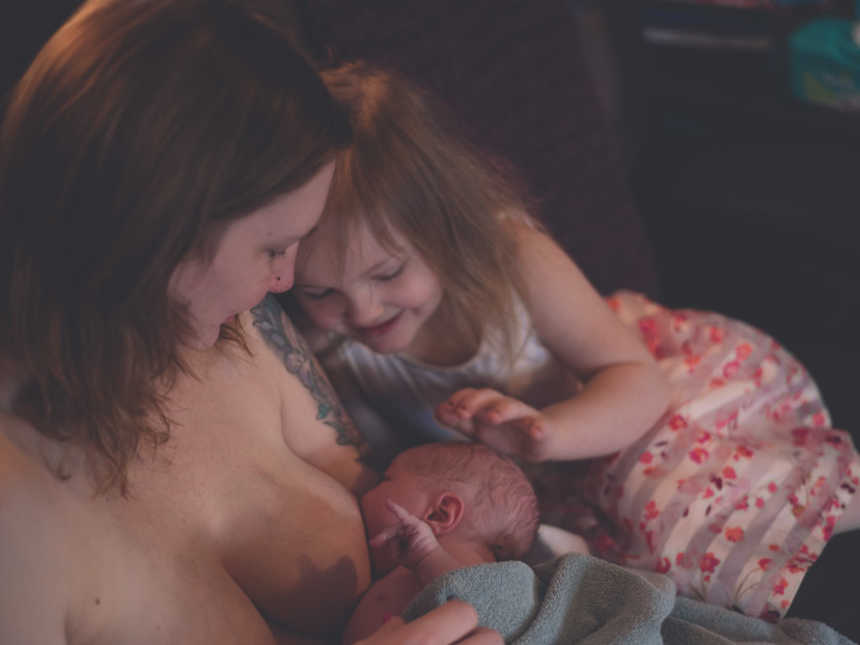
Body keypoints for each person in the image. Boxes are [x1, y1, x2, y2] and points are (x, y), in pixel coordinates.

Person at [288, 60, 860, 622]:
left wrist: (551, 434)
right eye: (320, 290)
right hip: (537, 491)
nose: (360, 310)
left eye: (388, 274)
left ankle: (832, 506)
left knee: (661, 487)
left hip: (617, 403)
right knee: (618, 569)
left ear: (447, 227)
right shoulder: (327, 342)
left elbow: (635, 378)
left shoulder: (509, 259)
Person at [0, 2, 500, 644]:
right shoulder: (18, 511)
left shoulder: (231, 326)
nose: (285, 282)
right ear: (159, 229)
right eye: (272, 248)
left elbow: (412, 508)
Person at [344, 442, 540, 644]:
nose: (366, 492)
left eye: (385, 479)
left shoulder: (480, 577)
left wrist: (427, 557)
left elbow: (482, 610)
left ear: (440, 513)